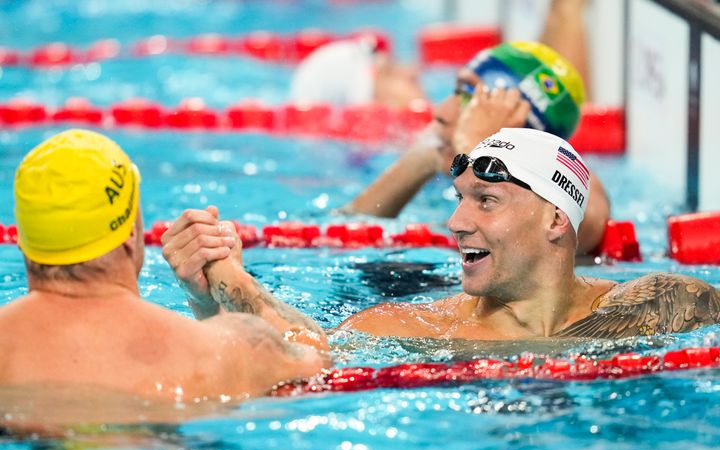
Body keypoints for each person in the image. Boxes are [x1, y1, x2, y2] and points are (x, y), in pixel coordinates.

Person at [163, 128, 720, 341]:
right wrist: (217, 287)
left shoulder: (667, 298)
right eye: (459, 200)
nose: (455, 222)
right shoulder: (414, 326)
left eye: (487, 201)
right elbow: (300, 352)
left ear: (555, 220)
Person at [0, 129, 329, 400]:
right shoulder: (225, 352)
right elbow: (317, 360)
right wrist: (232, 280)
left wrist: (205, 305)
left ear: (23, 240)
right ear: (130, 231)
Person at [339, 39, 610, 255]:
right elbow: (339, 233)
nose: (442, 112)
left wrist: (482, 150)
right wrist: (421, 161)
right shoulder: (444, 158)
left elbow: (585, 219)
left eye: (470, 99)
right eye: (455, 92)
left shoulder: (574, 185)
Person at [290, 36, 424, 109]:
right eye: (414, 83)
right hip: (305, 113)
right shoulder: (362, 78)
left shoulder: (369, 61)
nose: (420, 92)